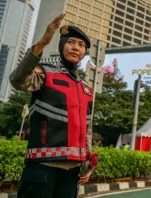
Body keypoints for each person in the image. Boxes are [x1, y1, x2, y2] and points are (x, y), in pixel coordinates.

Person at [10, 14, 94, 198]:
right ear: (61, 45)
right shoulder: (45, 72)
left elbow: (86, 129)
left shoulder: (87, 89)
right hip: (42, 167)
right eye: (71, 42)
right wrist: (41, 44)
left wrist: (87, 163)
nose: (76, 48)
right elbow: (18, 81)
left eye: (81, 45)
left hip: (72, 172)